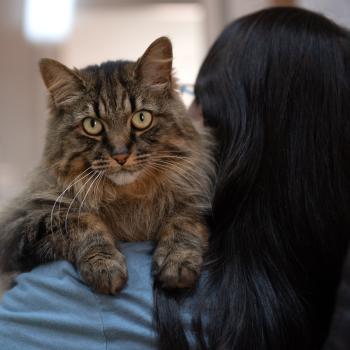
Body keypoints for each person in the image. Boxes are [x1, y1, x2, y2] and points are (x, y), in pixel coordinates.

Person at [1, 6, 350, 350]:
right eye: (93, 126)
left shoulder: (76, 301)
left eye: (201, 98)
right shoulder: (323, 276)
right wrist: (85, 239)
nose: (121, 150)